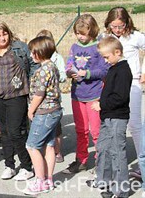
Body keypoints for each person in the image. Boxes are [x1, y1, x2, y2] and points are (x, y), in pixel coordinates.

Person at [0, 21, 37, 181]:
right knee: (5, 132)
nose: (2, 38)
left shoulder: (20, 48)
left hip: (17, 95)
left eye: (4, 34)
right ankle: (9, 165)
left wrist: (33, 84)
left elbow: (33, 64)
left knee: (16, 131)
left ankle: (27, 166)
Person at [62, 14, 109, 175]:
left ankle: (100, 162)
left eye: (83, 33)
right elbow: (69, 64)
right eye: (77, 33)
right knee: (81, 130)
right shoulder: (75, 47)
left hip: (94, 95)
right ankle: (81, 160)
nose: (80, 36)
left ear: (92, 31)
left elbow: (104, 70)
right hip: (77, 95)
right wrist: (70, 72)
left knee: (96, 131)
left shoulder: (98, 47)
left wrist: (87, 73)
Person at [102, 7, 145, 179]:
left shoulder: (135, 36)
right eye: (114, 26)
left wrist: (144, 70)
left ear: (127, 22)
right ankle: (112, 166)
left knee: (134, 125)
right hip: (113, 85)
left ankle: (143, 165)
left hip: (133, 83)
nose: (118, 30)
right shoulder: (106, 37)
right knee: (112, 125)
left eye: (121, 26)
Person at [87, 36, 132, 198]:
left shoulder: (123, 70)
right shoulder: (114, 67)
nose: (105, 61)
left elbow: (120, 97)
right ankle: (103, 180)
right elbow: (111, 93)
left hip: (117, 118)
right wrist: (102, 100)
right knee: (103, 148)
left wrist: (102, 104)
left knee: (117, 152)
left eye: (106, 57)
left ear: (117, 52)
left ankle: (122, 189)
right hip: (107, 117)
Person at [22, 36, 63, 195]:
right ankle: (48, 179)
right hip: (54, 111)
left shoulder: (42, 71)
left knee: (32, 146)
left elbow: (39, 94)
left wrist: (30, 110)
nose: (31, 55)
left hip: (44, 112)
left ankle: (39, 181)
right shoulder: (52, 66)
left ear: (41, 52)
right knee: (49, 145)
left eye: (33, 52)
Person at [36, 29, 67, 163]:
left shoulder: (57, 58)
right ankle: (44, 151)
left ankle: (57, 151)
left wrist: (53, 77)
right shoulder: (36, 59)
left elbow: (63, 75)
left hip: (52, 100)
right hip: (40, 100)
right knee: (41, 127)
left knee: (56, 128)